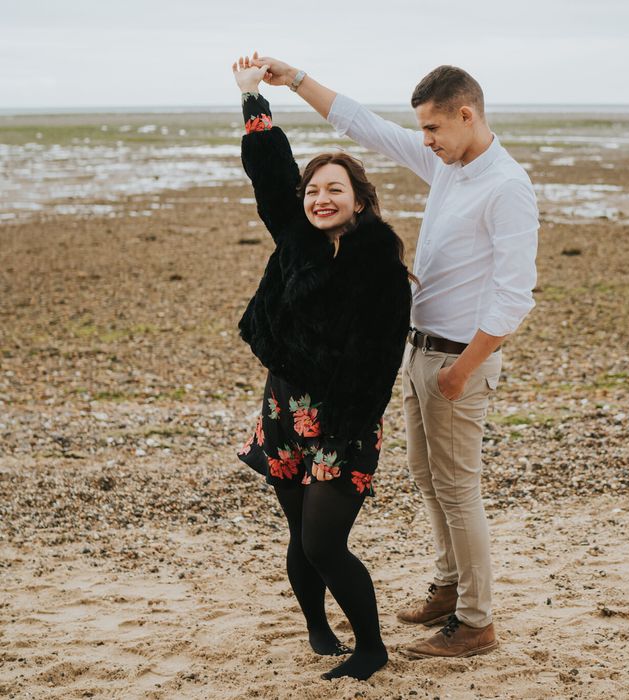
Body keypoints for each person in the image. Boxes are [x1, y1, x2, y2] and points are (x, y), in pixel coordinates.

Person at [249, 55, 539, 658]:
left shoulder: (506, 185)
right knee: (428, 481)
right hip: (420, 353)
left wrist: (463, 370)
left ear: (466, 115)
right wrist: (296, 81)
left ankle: (476, 621)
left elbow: (515, 295)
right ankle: (448, 587)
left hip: (459, 359)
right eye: (422, 131)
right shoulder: (451, 166)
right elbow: (364, 126)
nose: (425, 141)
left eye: (433, 129)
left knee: (459, 489)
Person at [231, 54, 412, 681]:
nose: (319, 197)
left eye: (335, 188)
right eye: (314, 190)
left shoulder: (382, 272)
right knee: (297, 533)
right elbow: (271, 176)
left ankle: (372, 647)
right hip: (284, 409)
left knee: (322, 541)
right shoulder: (296, 241)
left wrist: (344, 424)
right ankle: (317, 625)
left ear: (360, 201)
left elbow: (382, 363)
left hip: (344, 420)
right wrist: (253, 99)